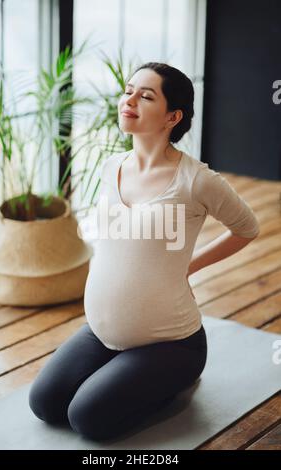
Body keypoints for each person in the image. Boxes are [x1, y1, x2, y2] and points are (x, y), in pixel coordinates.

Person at [29, 62, 260, 442]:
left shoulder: (197, 180)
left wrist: (188, 265)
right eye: (128, 90)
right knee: (44, 403)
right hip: (102, 333)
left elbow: (247, 228)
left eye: (145, 95)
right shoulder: (110, 166)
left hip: (170, 343)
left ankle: (170, 384)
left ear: (173, 116)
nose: (129, 100)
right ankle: (126, 372)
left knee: (87, 419)